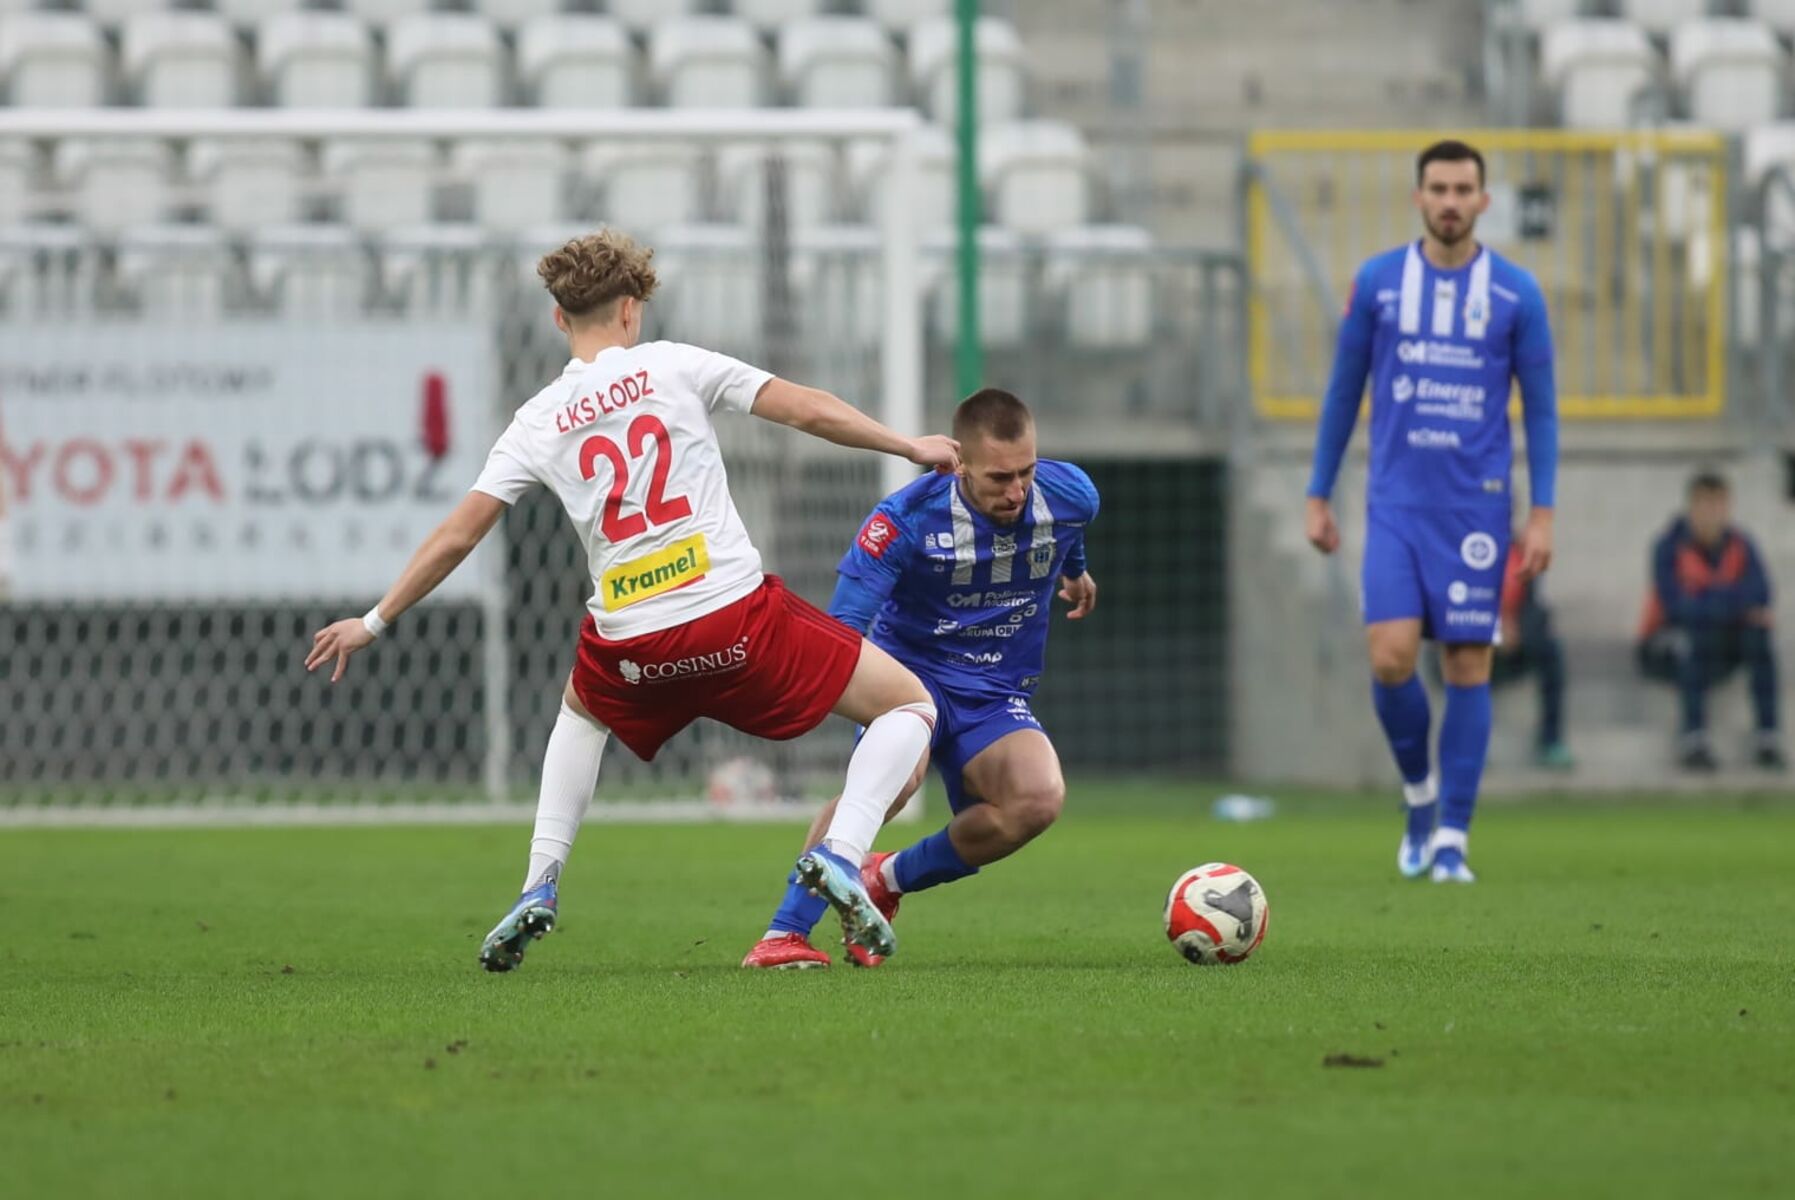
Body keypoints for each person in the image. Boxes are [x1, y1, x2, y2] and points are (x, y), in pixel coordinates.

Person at [304, 230, 962, 969]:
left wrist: (373, 620)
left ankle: (538, 885)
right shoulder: (673, 365)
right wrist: (905, 446)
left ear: (559, 319)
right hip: (734, 621)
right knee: (909, 706)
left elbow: (458, 536)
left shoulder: (535, 420)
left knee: (579, 714)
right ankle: (842, 854)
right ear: (630, 309)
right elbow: (803, 408)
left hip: (632, 647)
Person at [741, 389, 1099, 968]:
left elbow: (1069, 531)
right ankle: (784, 932)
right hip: (907, 682)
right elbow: (842, 633)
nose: (1016, 491)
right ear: (960, 464)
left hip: (993, 690)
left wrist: (1077, 575)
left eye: (1026, 472)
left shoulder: (1071, 494)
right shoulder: (902, 521)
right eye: (999, 477)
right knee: (895, 784)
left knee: (1036, 800)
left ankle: (886, 877)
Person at [1305, 139, 1559, 884]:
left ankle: (1452, 835)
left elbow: (1540, 411)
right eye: (1438, 188)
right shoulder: (1379, 283)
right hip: (1393, 505)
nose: (1450, 201)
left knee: (1467, 662)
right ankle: (1419, 797)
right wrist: (1318, 492)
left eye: (1463, 189)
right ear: (1418, 197)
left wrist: (1541, 513)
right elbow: (1342, 391)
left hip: (1476, 511)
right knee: (1388, 656)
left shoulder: (1516, 293)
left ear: (1483, 201)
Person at [1636, 470, 1784, 771]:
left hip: (1720, 637)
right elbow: (1676, 607)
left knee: (1759, 635)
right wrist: (1732, 602)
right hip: (1664, 642)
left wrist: (1707, 600)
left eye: (1718, 505)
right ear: (1691, 506)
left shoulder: (1742, 545)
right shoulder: (1668, 547)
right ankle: (1693, 738)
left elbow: (1761, 593)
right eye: (1704, 505)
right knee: (1691, 640)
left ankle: (1768, 737)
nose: (1711, 514)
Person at [1493, 537, 1573, 770]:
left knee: (1551, 651)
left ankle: (1551, 741)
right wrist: (1494, 628)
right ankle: (1468, 743)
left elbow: (1537, 606)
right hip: (1474, 638)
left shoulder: (1524, 554)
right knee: (1467, 656)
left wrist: (1517, 632)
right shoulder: (1462, 547)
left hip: (1516, 643)